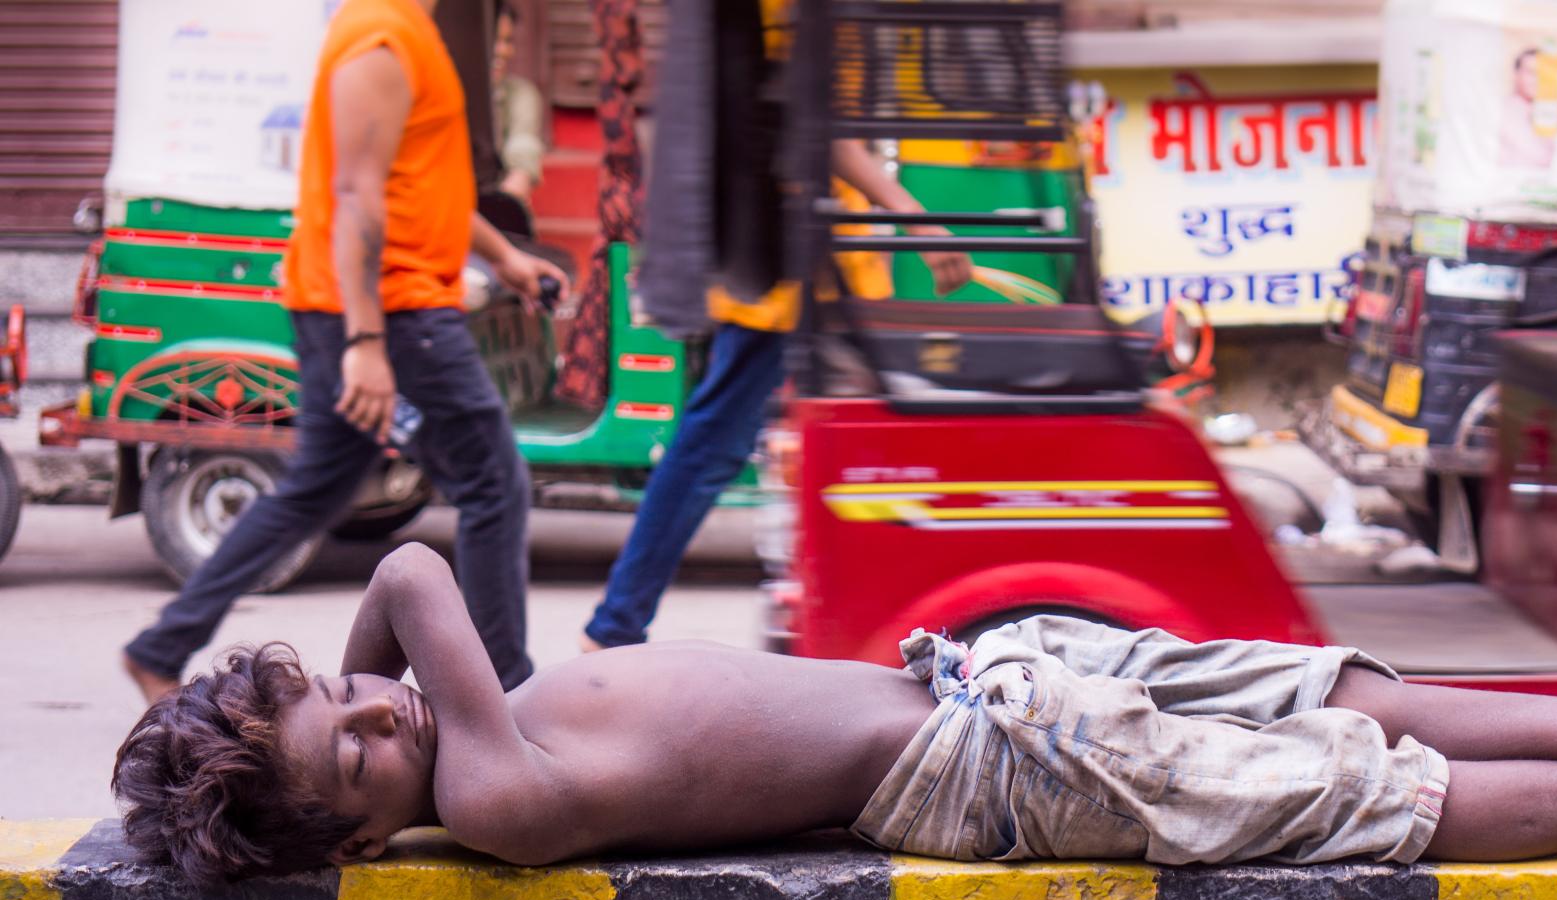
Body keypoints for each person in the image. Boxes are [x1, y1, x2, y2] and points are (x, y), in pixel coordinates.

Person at [113, 542, 1557, 884]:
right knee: (1358, 789)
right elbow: (421, 565)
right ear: (349, 844)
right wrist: (360, 666)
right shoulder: (487, 798)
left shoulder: (458, 732)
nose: (377, 714)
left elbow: (403, 635)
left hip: (977, 684)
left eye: (348, 701)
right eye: (349, 755)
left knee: (1341, 686)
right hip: (987, 766)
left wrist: (319, 692)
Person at [121, 0, 569, 705]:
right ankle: (509, 697)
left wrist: (504, 257)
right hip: (390, 307)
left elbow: (423, 188)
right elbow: (357, 194)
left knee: (319, 487)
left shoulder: (411, 28)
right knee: (494, 481)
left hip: (378, 304)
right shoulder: (379, 35)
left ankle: (162, 645)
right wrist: (364, 342)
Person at [580, 139, 972, 652]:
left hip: (813, 261)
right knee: (715, 448)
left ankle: (623, 623)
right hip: (788, 270)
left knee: (841, 450)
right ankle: (616, 625)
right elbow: (827, 135)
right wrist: (916, 219)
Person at [492, 0, 546, 205]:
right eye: (495, 40)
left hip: (497, 208)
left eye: (508, 41)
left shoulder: (521, 94)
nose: (503, 51)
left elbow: (523, 147)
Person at [1499, 48, 1557, 170]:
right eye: (1531, 72)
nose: (1538, 79)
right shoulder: (1503, 110)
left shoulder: (1549, 109)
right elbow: (1542, 157)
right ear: (1516, 74)